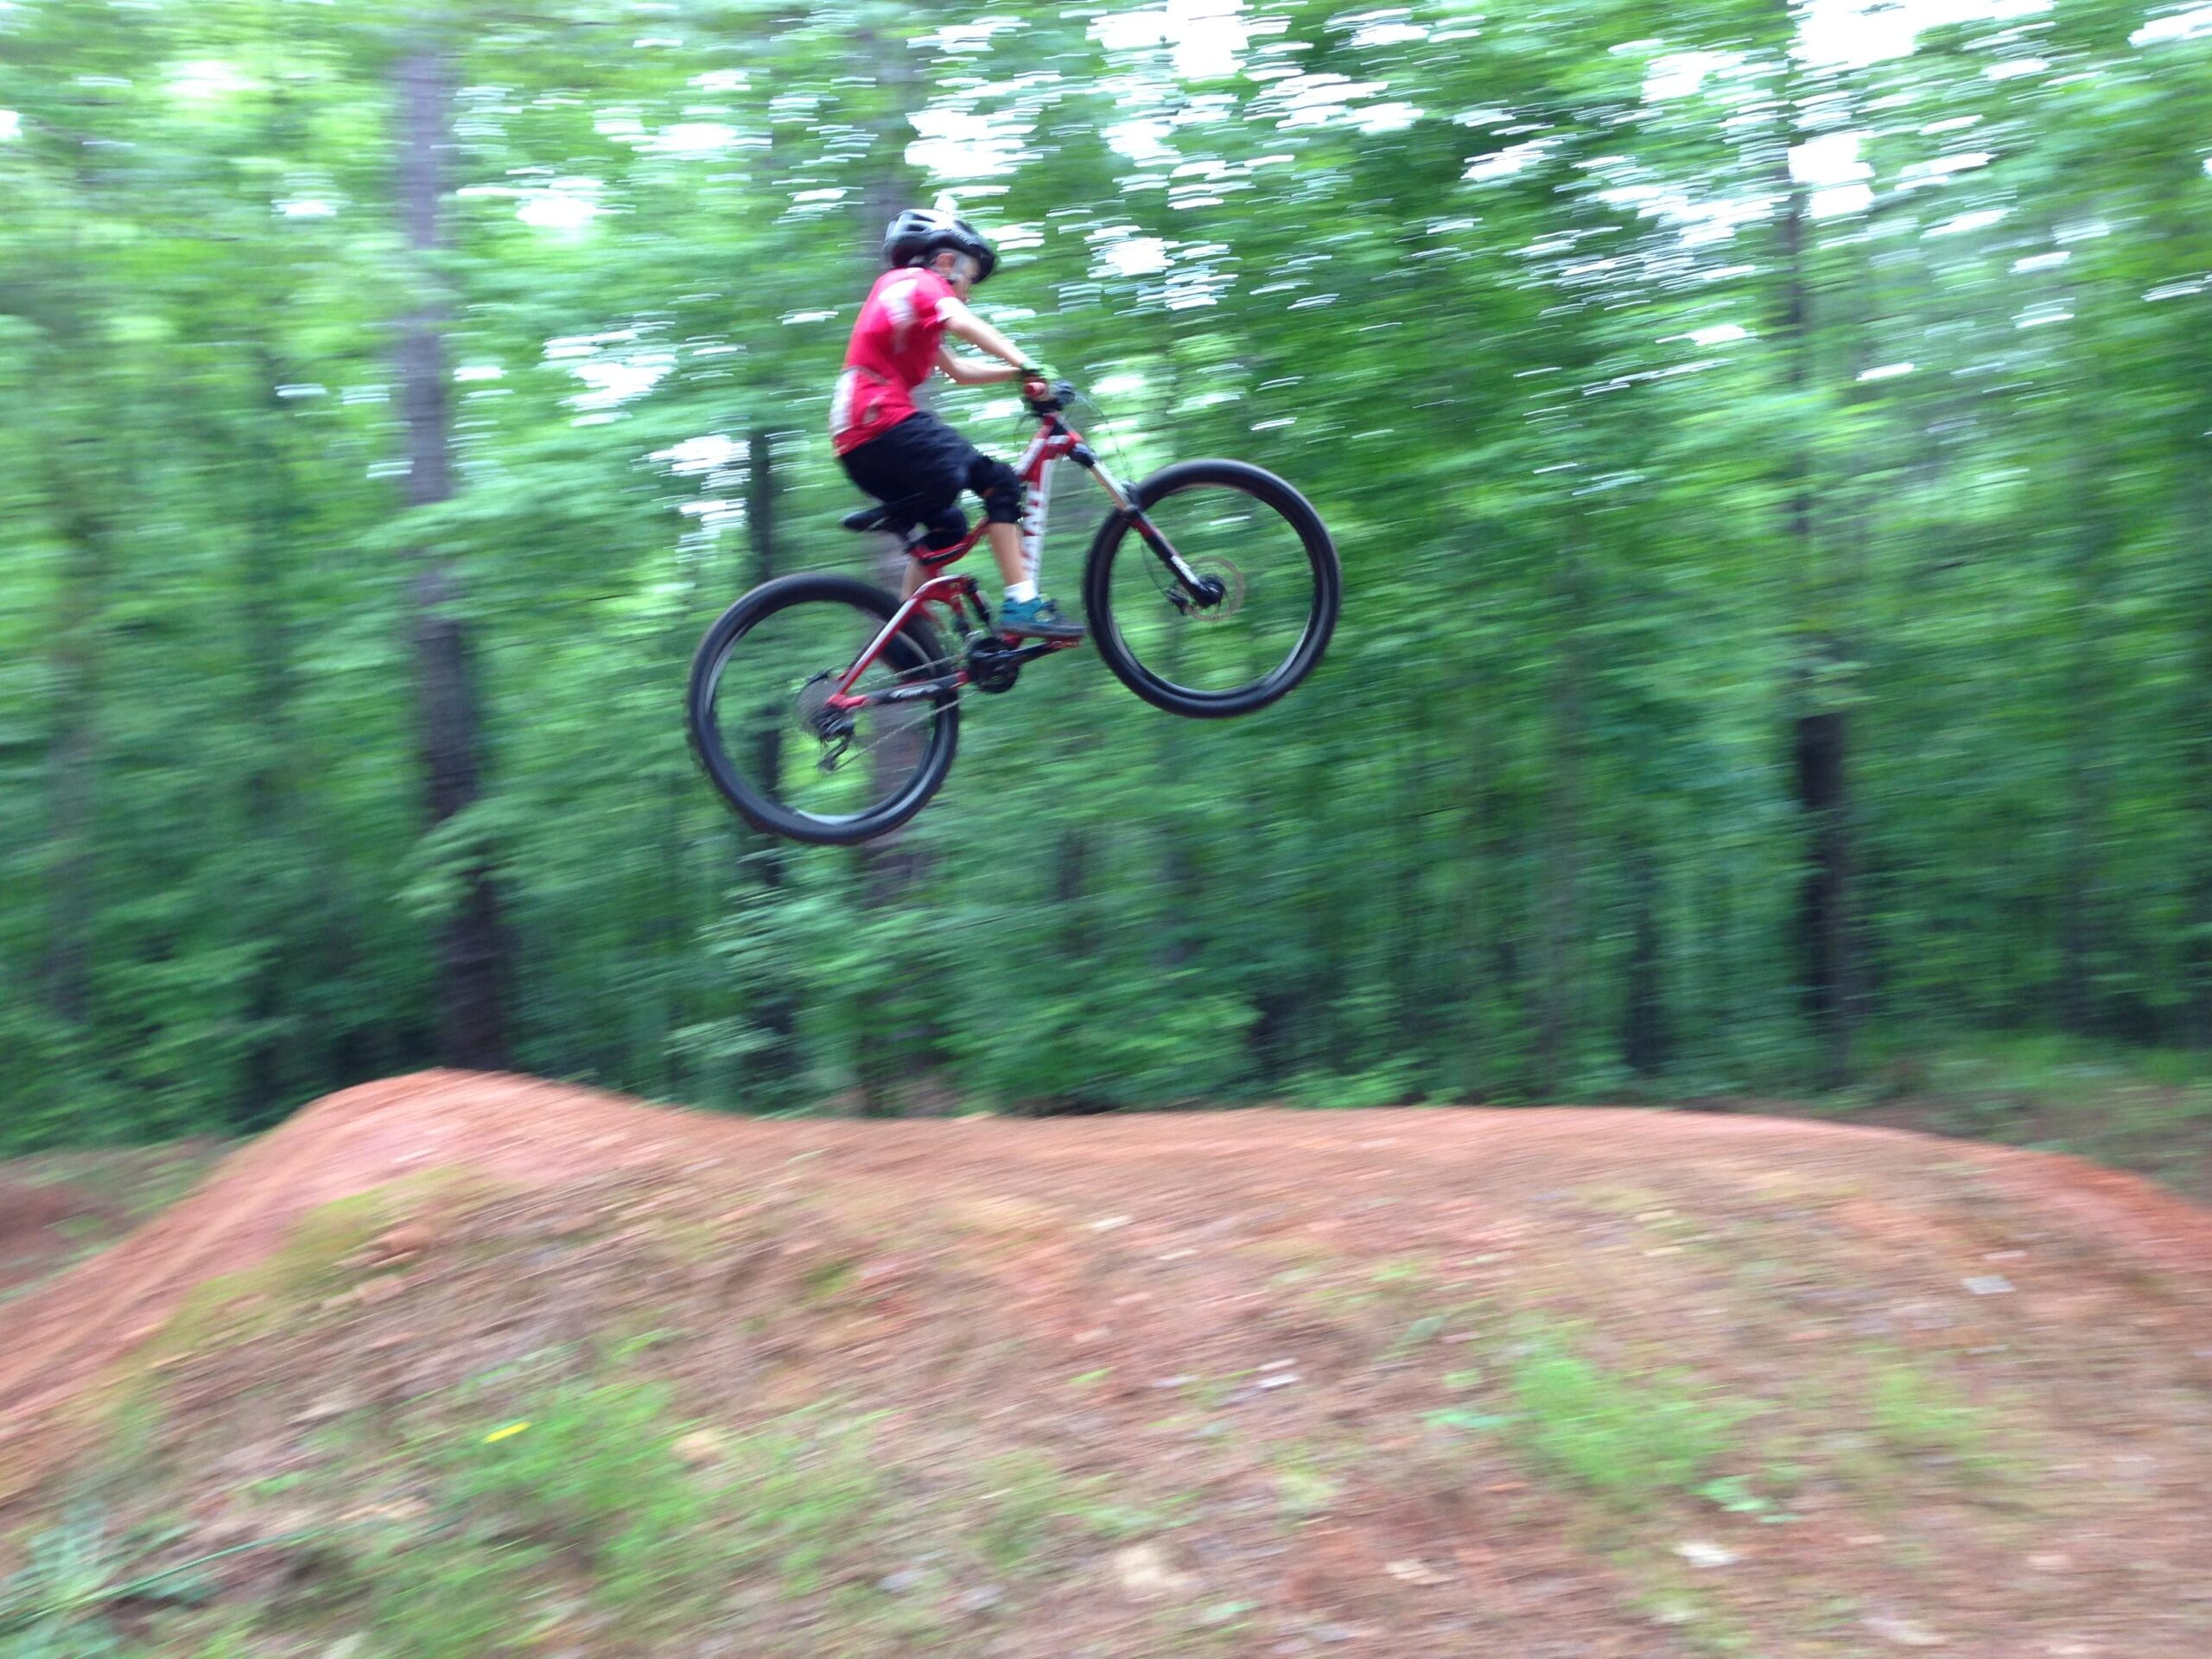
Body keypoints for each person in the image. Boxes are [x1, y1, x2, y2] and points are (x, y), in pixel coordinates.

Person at [831, 208, 1083, 640]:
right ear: (946, 263)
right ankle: (1023, 602)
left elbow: (959, 371)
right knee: (998, 481)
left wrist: (1019, 376)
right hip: (879, 421)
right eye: (969, 278)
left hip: (861, 440)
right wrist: (1026, 362)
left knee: (949, 526)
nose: (968, 294)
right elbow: (962, 322)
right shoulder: (916, 282)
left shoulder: (905, 308)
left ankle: (907, 636)